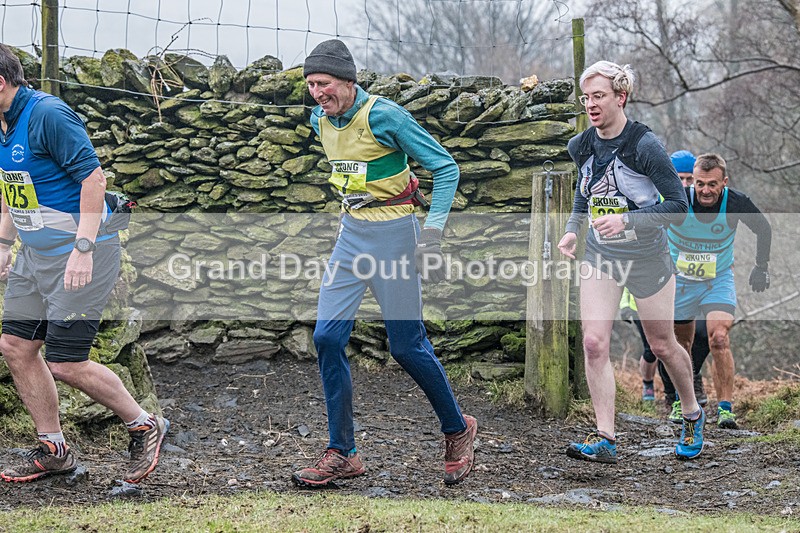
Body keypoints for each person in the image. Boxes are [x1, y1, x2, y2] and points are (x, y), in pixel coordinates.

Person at [292, 39, 476, 487]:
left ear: (348, 81)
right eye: (312, 84)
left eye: (325, 83)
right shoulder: (320, 118)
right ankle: (343, 452)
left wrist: (431, 234)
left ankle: (458, 429)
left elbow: (446, 167)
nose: (318, 93)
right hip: (351, 237)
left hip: (396, 237)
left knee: (406, 346)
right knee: (327, 337)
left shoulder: (385, 116)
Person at [0, 44, 168, 483]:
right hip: (33, 256)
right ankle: (54, 450)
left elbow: (93, 179)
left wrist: (83, 248)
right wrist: (4, 244)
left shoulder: (48, 116)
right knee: (16, 347)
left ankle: (144, 424)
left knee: (65, 362)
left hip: (81, 253)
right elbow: (12, 184)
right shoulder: (2, 122)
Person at [557, 60, 705, 463]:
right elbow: (583, 195)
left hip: (647, 257)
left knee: (662, 345)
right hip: (602, 256)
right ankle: (606, 436)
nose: (590, 104)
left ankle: (691, 412)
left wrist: (626, 219)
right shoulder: (580, 145)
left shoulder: (645, 146)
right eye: (586, 97)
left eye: (599, 96)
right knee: (593, 342)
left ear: (621, 97)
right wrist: (573, 228)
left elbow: (677, 207)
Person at [666, 153, 772, 429]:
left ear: (724, 182)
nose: (705, 190)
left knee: (719, 338)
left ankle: (725, 408)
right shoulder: (678, 200)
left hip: (718, 279)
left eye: (712, 184)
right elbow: (652, 226)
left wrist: (761, 267)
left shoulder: (735, 202)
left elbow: (764, 228)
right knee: (682, 345)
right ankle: (682, 400)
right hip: (682, 281)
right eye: (700, 184)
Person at [618, 287, 657, 403]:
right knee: (651, 349)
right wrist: (624, 305)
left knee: (666, 347)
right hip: (637, 307)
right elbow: (624, 279)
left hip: (664, 303)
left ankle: (672, 392)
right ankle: (648, 384)